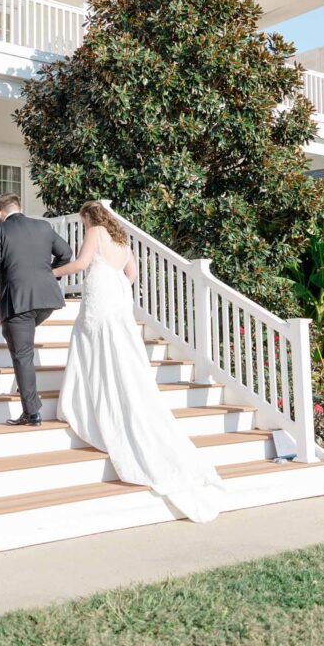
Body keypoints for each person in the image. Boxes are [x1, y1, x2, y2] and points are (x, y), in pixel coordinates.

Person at [53, 201, 225, 522]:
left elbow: (81, 264)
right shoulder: (121, 238)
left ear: (90, 217)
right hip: (117, 298)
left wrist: (51, 272)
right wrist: (115, 287)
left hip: (100, 299)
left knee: (90, 346)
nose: (84, 222)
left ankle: (83, 405)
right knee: (117, 357)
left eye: (83, 218)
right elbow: (131, 273)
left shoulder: (96, 231)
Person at [0, 193, 72, 426]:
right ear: (19, 207)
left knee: (22, 355)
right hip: (46, 300)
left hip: (19, 302)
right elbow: (66, 253)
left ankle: (32, 413)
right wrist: (47, 274)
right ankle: (27, 393)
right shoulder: (43, 226)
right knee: (16, 340)